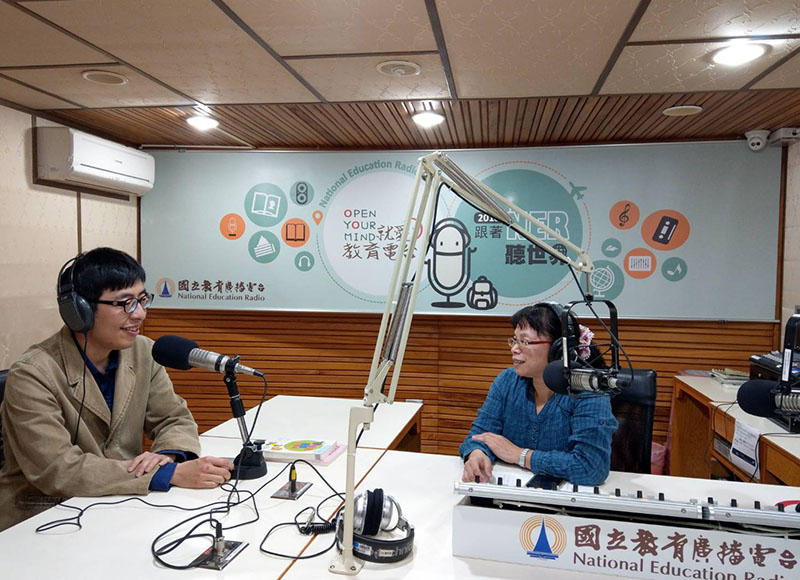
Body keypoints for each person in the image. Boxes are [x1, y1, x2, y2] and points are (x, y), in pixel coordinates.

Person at [0, 248, 234, 531]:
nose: (140, 314)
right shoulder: (32, 373)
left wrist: (168, 455)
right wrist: (167, 474)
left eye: (142, 300)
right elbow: (57, 469)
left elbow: (174, 418)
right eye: (125, 303)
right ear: (80, 311)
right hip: (43, 518)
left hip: (118, 505)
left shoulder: (144, 352)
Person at [460, 303, 618, 486]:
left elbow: (591, 468)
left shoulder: (588, 390)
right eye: (514, 340)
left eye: (525, 341)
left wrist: (521, 455)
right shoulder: (507, 381)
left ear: (558, 349)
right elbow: (478, 435)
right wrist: (477, 453)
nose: (514, 349)